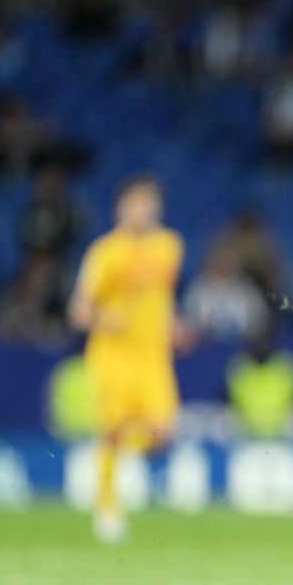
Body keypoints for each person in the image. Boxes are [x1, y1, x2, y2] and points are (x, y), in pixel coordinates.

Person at [69, 175, 183, 543]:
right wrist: (106, 318)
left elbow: (160, 299)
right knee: (112, 431)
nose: (141, 211)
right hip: (113, 355)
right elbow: (79, 311)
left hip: (153, 356)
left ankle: (123, 481)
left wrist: (173, 327)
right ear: (120, 208)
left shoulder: (169, 248)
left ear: (158, 209)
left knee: (163, 432)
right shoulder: (103, 253)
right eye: (135, 203)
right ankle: (106, 505)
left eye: (148, 204)